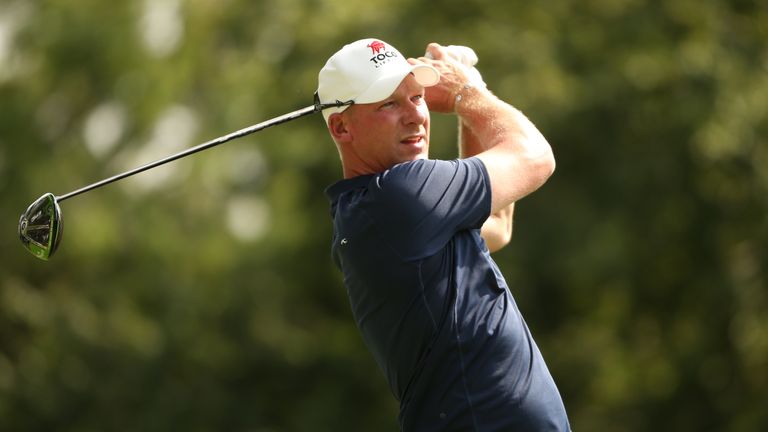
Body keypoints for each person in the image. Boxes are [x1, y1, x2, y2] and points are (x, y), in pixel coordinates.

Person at [316, 38, 570, 431]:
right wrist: (467, 92)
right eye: (389, 103)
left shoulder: (376, 210)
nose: (415, 115)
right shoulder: (402, 194)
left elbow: (497, 227)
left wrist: (470, 94)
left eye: (416, 97)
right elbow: (535, 157)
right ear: (341, 126)